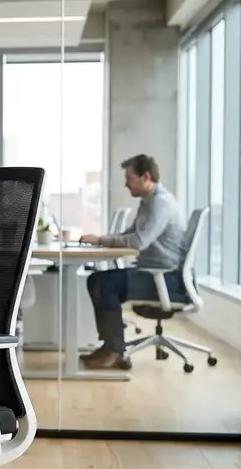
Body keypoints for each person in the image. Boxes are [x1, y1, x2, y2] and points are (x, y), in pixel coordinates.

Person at [78, 154, 187, 371]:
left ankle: (114, 351)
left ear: (145, 176)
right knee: (97, 280)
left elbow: (138, 242)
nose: (126, 183)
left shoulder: (160, 203)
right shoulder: (148, 202)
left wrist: (101, 240)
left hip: (165, 279)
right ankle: (111, 346)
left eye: (129, 177)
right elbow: (130, 234)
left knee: (103, 283)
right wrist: (104, 241)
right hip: (153, 273)